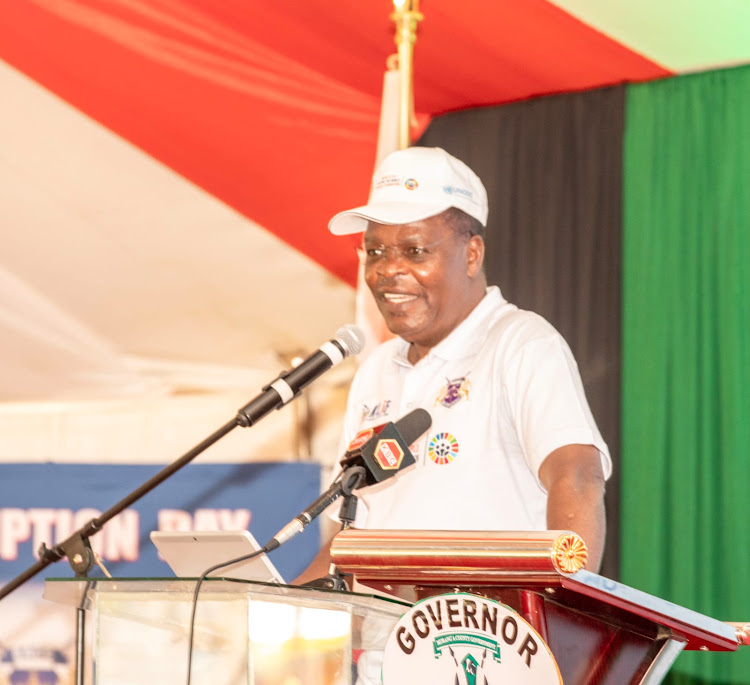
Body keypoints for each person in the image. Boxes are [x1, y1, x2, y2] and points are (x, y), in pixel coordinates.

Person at [296, 146, 611, 587]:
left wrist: (562, 612)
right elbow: (354, 539)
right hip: (384, 648)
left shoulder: (520, 343)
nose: (388, 270)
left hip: (488, 643)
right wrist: (276, 607)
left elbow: (577, 475)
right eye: (375, 251)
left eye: (414, 250)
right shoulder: (376, 370)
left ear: (471, 254)